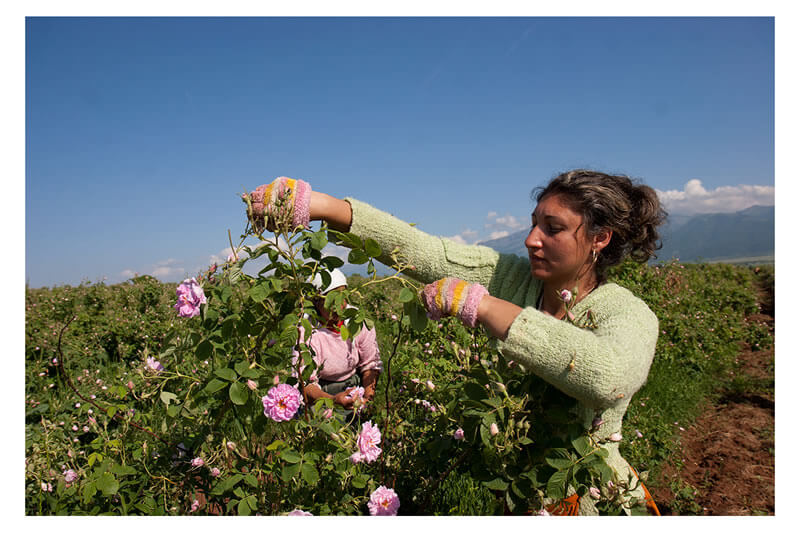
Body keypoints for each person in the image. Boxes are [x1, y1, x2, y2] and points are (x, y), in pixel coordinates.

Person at [245, 171, 666, 515]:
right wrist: (319, 205)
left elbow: (609, 378)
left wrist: (485, 307)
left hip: (590, 496)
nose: (531, 239)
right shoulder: (513, 277)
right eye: (534, 223)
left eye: (552, 229)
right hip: (521, 493)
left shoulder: (626, 314)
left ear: (600, 238)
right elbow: (424, 251)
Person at [293, 267, 382, 414]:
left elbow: (371, 364)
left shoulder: (357, 321)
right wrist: (333, 401)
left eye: (343, 297)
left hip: (352, 386)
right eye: (331, 299)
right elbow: (306, 383)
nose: (340, 306)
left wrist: (367, 396)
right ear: (316, 302)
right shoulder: (307, 330)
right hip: (320, 392)